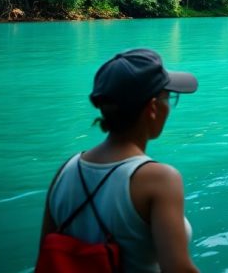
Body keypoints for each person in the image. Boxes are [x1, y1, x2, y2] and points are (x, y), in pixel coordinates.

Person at [38, 49, 199, 273]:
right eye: (168, 97)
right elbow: (177, 269)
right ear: (152, 108)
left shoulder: (65, 171)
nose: (169, 106)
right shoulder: (160, 179)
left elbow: (45, 260)